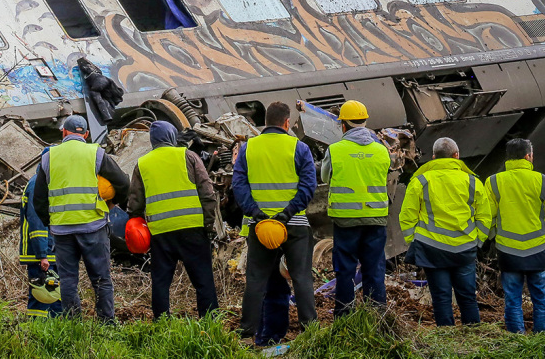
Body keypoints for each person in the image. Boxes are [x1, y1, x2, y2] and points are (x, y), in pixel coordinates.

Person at [234, 101, 318, 343]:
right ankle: (310, 332)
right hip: (294, 224)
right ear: (286, 123)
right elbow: (308, 186)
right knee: (301, 277)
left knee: (256, 280)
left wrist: (256, 213)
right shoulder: (299, 147)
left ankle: (247, 335)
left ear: (265, 122)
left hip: (260, 226)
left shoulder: (249, 148)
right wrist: (287, 212)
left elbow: (239, 185)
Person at [33, 115, 130, 321]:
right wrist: (111, 205)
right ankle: (106, 323)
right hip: (93, 226)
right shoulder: (95, 153)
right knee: (101, 279)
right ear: (85, 134)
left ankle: (73, 325)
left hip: (62, 231)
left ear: (64, 132)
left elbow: (39, 200)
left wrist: (51, 223)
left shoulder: (49, 156)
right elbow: (123, 183)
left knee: (68, 280)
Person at [125, 121, 218, 319]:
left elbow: (134, 205)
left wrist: (139, 226)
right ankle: (210, 323)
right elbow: (207, 193)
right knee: (203, 280)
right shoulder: (188, 156)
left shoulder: (142, 164)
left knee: (160, 282)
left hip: (160, 232)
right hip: (192, 229)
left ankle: (162, 323)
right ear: (172, 136)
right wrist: (209, 225)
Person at [399, 137, 493, 327]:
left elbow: (407, 216)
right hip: (465, 248)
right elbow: (485, 217)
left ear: (434, 157)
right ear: (456, 155)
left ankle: (445, 337)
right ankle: (474, 334)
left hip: (432, 249)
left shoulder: (420, 181)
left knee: (441, 297)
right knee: (467, 296)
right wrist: (477, 241)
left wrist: (414, 242)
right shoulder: (472, 181)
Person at [318, 100, 391, 318]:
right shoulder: (382, 151)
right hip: (375, 219)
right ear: (365, 122)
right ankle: (377, 319)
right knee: (374, 270)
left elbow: (324, 177)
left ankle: (344, 317)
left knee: (345, 271)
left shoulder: (336, 150)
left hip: (345, 220)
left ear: (343, 125)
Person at [488, 138, 545, 333]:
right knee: (541, 301)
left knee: (512, 300)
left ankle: (516, 341)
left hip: (507, 250)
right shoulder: (544, 181)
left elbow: (488, 216)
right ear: (529, 156)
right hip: (538, 249)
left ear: (508, 158)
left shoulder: (494, 182)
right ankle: (543, 342)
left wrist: (494, 237)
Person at [19, 169, 62, 318]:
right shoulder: (38, 184)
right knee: (41, 297)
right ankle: (37, 333)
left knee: (55, 297)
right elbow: (37, 223)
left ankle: (56, 333)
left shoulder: (47, 182)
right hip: (41, 254)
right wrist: (42, 254)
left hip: (50, 251)